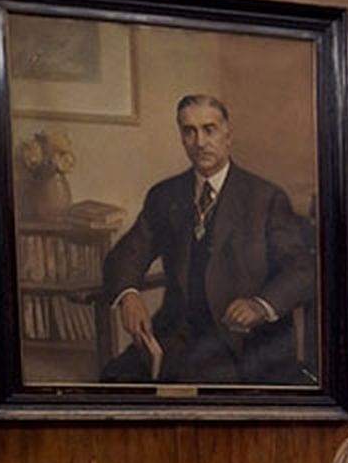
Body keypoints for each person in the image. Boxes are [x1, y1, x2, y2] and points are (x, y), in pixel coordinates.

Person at [102, 94, 316, 385]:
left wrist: (260, 305)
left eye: (209, 129)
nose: (200, 142)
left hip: (245, 343)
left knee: (190, 389)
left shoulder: (265, 198)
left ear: (228, 135)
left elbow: (303, 271)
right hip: (176, 336)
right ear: (181, 137)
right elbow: (126, 254)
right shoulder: (165, 195)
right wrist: (128, 294)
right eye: (189, 131)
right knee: (113, 380)